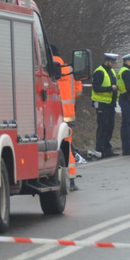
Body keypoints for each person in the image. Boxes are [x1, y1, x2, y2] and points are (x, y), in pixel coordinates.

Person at [55, 55, 82, 189]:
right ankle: (70, 179)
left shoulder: (44, 68)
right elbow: (78, 91)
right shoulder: (70, 70)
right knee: (67, 146)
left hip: (51, 116)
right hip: (69, 116)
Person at [91, 52, 118, 157]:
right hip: (102, 104)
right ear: (106, 61)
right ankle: (100, 149)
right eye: (111, 62)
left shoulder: (111, 71)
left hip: (110, 104)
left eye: (114, 62)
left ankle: (107, 149)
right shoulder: (99, 72)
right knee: (103, 127)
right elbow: (96, 88)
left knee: (110, 127)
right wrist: (110, 88)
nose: (113, 64)